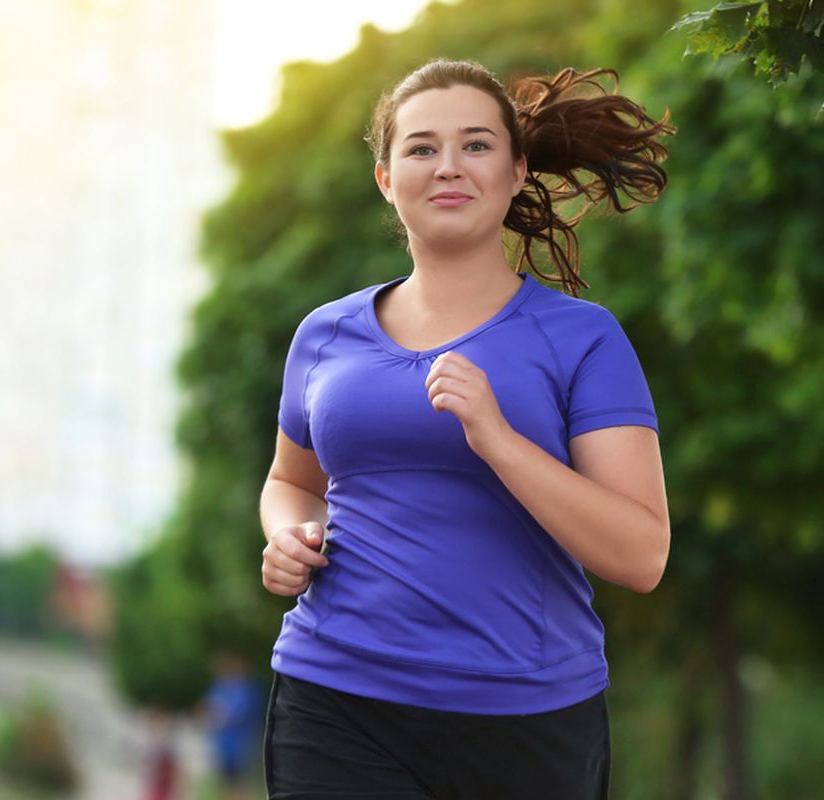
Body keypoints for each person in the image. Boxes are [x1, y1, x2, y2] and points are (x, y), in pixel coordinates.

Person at [258, 57, 675, 799]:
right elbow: (292, 481)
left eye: (476, 145)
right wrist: (289, 533)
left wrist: (500, 441)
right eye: (421, 148)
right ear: (387, 178)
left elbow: (641, 555)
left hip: (524, 717)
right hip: (336, 695)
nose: (448, 166)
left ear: (517, 172)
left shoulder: (583, 339)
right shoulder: (324, 335)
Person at [201, 651, 263, 800]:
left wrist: (218, 715)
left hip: (240, 743)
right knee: (225, 782)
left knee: (240, 781)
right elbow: (207, 710)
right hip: (223, 743)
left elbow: (237, 713)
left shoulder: (246, 688)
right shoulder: (218, 687)